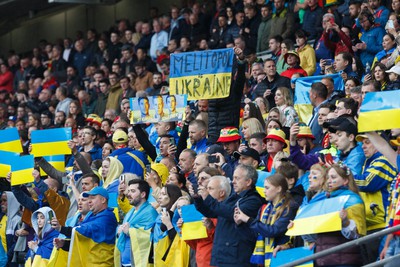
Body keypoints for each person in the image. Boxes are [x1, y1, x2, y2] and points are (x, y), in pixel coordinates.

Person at [193, 164, 264, 267]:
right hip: (222, 255)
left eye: (237, 178)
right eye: (233, 177)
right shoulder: (234, 197)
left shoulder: (253, 200)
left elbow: (232, 213)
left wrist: (208, 197)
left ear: (248, 182)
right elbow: (212, 212)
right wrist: (199, 200)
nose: (233, 181)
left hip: (236, 258)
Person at [234, 173, 298, 266]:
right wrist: (240, 224)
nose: (264, 191)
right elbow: (254, 236)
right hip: (264, 261)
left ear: (279, 189)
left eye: (267, 188)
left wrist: (248, 219)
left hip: (282, 257)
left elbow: (273, 231)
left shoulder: (289, 207)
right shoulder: (264, 208)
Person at [312, 164, 367, 267]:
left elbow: (357, 235)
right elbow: (315, 234)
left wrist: (345, 221)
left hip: (345, 261)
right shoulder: (322, 199)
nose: (328, 181)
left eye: (333, 177)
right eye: (327, 177)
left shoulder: (352, 200)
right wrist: (297, 226)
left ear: (345, 180)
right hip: (323, 260)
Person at [116, 179, 158, 267]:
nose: (128, 194)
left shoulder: (150, 212)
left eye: (133, 191)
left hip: (138, 262)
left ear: (143, 194)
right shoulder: (131, 212)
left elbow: (152, 236)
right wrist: (120, 232)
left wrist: (130, 232)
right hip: (125, 262)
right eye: (129, 191)